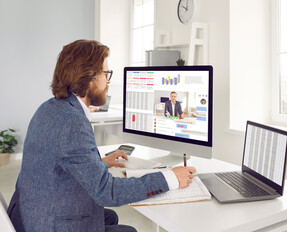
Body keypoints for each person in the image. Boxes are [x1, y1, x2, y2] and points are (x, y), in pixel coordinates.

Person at [7, 40, 195, 232]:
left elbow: (59, 164)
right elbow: (107, 192)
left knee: (109, 217)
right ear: (88, 77)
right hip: (47, 224)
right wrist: (169, 178)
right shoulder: (72, 122)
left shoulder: (49, 107)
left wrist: (100, 164)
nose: (108, 81)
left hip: (28, 213)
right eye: (106, 74)